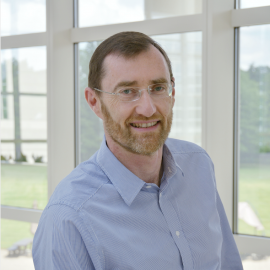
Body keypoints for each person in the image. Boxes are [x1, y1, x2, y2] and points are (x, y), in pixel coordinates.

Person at [33, 31, 243, 270]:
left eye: (158, 87)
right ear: (94, 102)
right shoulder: (68, 218)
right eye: (127, 91)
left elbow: (228, 263)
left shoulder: (199, 165)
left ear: (172, 93)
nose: (147, 108)